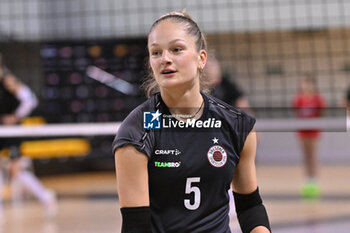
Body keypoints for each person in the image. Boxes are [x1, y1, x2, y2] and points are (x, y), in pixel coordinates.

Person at [113, 11, 270, 233]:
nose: (165, 58)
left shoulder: (236, 125)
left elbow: (249, 206)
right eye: (156, 52)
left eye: (176, 49)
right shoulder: (137, 131)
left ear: (201, 59)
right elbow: (136, 226)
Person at [0, 54, 57, 221]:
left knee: (16, 170)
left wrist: (15, 117)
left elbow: (30, 100)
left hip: (11, 132)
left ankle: (46, 197)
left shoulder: (8, 81)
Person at [293, 75, 326, 199]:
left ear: (311, 84)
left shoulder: (318, 98)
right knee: (306, 156)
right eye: (302, 83)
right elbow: (297, 114)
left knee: (313, 156)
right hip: (302, 131)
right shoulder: (298, 98)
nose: (304, 86)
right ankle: (307, 181)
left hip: (313, 131)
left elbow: (321, 113)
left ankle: (314, 181)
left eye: (306, 83)